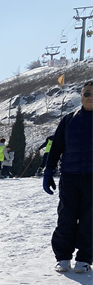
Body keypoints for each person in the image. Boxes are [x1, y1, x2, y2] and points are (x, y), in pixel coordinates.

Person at [43, 80, 93, 274]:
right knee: (66, 217)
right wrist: (48, 172)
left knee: (90, 219)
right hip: (70, 176)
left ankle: (84, 258)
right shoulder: (69, 119)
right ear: (80, 95)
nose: (90, 97)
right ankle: (63, 257)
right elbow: (56, 147)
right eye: (87, 93)